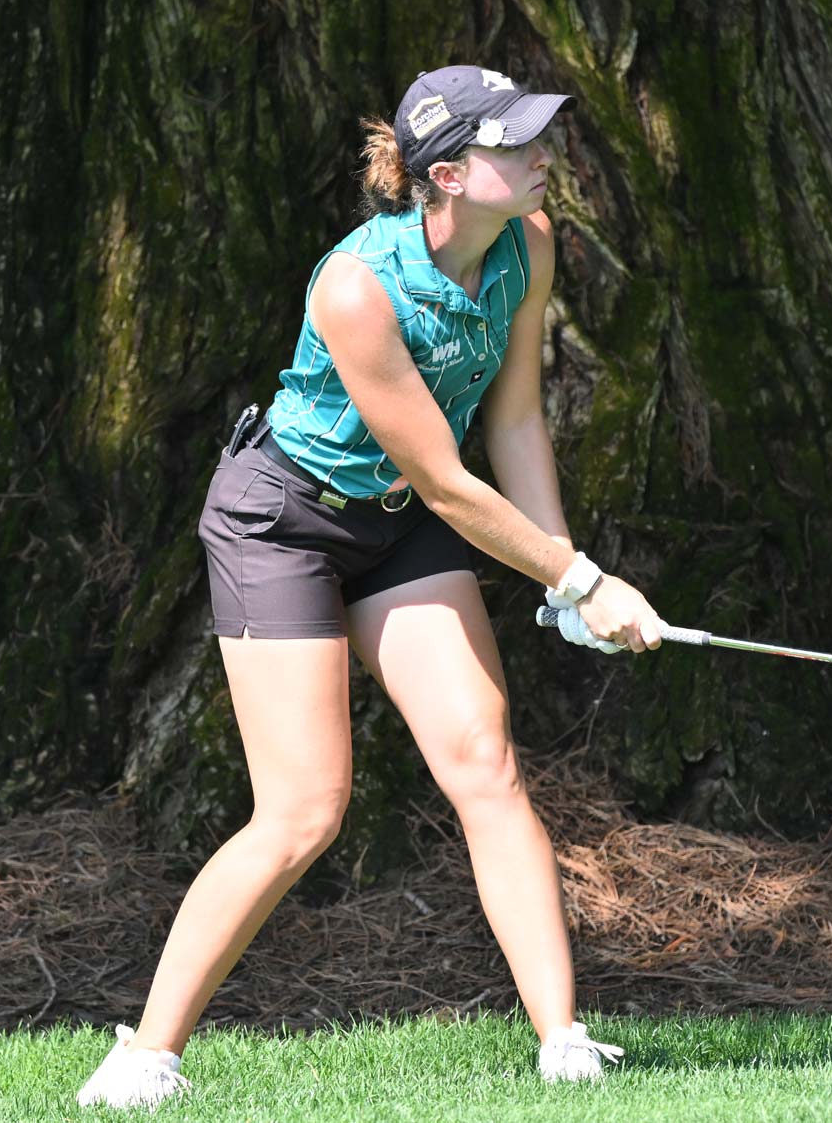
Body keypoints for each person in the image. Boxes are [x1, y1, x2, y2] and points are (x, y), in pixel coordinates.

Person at [75, 64, 666, 1109]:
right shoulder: (356, 287)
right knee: (304, 809)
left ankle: (565, 1043)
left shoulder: (525, 247)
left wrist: (568, 583)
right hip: (285, 522)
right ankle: (144, 1058)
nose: (544, 157)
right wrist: (582, 577)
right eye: (516, 145)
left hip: (395, 523)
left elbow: (516, 421)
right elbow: (445, 480)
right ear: (445, 173)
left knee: (484, 759)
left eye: (540, 137)